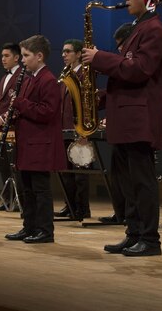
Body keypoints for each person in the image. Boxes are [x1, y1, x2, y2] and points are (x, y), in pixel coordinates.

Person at [82, 0, 162, 257]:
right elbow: (127, 74)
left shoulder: (153, 28)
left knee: (142, 181)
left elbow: (140, 69)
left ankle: (150, 239)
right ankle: (133, 233)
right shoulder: (137, 28)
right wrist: (101, 97)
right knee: (126, 182)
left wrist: (100, 58)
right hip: (125, 118)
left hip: (138, 119)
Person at [4, 35, 66, 244]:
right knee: (26, 188)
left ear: (39, 56)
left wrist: (20, 104)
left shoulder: (48, 79)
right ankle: (29, 226)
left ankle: (45, 231)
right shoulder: (31, 78)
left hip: (40, 143)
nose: (22, 60)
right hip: (28, 142)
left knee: (40, 189)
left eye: (26, 56)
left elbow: (47, 112)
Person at [97, 22, 133, 226]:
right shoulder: (122, 61)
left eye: (122, 44)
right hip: (117, 125)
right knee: (117, 175)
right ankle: (120, 213)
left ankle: (129, 214)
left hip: (129, 124)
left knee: (127, 176)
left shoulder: (131, 63)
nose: (119, 49)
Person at [54, 38, 92, 220]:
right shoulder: (64, 75)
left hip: (79, 129)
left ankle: (82, 208)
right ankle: (69, 205)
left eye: (68, 51)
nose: (64, 55)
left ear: (78, 54)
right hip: (64, 128)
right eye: (63, 52)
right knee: (65, 171)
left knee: (80, 173)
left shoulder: (85, 75)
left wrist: (84, 131)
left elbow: (87, 104)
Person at [0, 42, 24, 212]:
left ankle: (19, 201)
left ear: (17, 57)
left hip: (14, 128)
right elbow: (1, 103)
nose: (3, 59)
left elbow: (18, 105)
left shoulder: (22, 76)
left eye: (6, 55)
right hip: (1, 129)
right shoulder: (4, 78)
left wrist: (2, 119)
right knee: (1, 164)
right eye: (2, 55)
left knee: (14, 166)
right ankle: (8, 200)